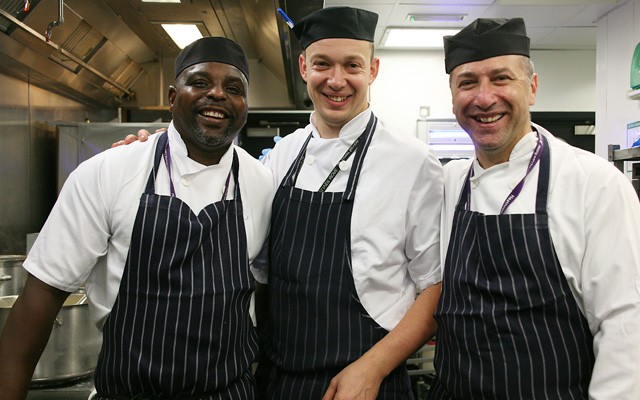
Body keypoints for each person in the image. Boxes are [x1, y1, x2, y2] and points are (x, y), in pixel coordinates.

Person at [0, 36, 275, 400]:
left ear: (244, 105)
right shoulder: (107, 172)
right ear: (173, 98)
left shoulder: (263, 183)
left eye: (234, 88)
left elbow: (264, 291)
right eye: (200, 82)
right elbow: (41, 297)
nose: (218, 95)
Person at [429, 17, 640, 399]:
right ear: (453, 95)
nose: (483, 97)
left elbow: (627, 325)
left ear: (533, 88)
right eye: (467, 82)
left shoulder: (593, 183)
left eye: (501, 78)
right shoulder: (449, 184)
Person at [254, 6, 443, 400]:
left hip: (371, 381)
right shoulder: (280, 157)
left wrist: (372, 368)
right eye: (323, 64)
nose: (336, 80)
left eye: (352, 65)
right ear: (304, 67)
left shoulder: (411, 161)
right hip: (278, 380)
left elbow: (435, 287)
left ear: (372, 70)